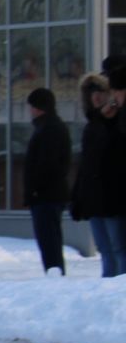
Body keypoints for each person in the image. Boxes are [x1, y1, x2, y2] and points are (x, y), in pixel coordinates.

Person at [70, 73, 123, 278]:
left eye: (100, 92)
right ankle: (108, 288)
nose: (96, 97)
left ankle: (117, 290)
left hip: (112, 197)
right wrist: (78, 197)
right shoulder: (92, 125)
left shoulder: (115, 124)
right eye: (92, 93)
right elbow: (86, 166)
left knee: (118, 247)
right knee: (106, 250)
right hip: (94, 198)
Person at [21, 86, 71, 275]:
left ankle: (54, 274)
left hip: (46, 196)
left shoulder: (49, 129)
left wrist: (35, 189)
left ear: (38, 107)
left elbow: (47, 165)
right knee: (50, 240)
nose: (30, 111)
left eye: (32, 107)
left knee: (49, 240)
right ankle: (54, 272)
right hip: (48, 195)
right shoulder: (50, 127)